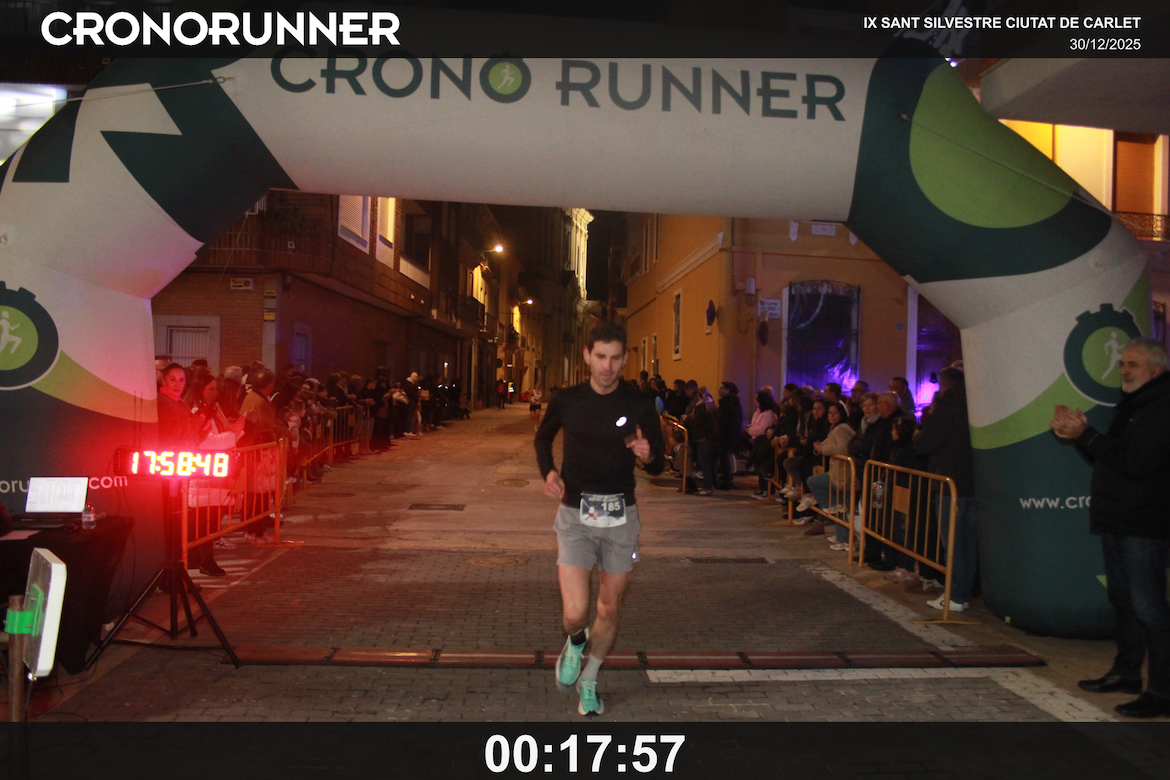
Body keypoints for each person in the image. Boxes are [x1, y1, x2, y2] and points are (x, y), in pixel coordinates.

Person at [535, 322, 665, 717]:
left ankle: (589, 678)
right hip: (575, 515)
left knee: (608, 609)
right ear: (587, 356)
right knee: (575, 613)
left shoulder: (639, 404)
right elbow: (543, 438)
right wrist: (549, 472)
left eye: (615, 358)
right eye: (600, 357)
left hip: (620, 517)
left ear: (624, 360)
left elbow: (658, 462)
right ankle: (576, 641)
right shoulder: (567, 400)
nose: (607, 367)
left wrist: (648, 456)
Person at [1051, 337, 1170, 719]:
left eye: (1133, 365)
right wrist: (1079, 436)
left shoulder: (1162, 407)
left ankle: (1162, 691)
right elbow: (1109, 459)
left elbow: (1137, 463)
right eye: (1122, 364)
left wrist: (1085, 435)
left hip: (1143, 523)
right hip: (1119, 519)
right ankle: (1127, 673)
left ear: (1155, 370)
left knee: (1150, 608)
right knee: (1125, 602)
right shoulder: (1132, 405)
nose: (1124, 371)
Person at [913, 368, 976, 612]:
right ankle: (964, 594)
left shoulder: (948, 406)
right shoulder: (975, 402)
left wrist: (919, 437)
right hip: (972, 482)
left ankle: (955, 595)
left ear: (945, 385)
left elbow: (928, 442)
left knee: (953, 544)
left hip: (950, 483)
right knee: (968, 543)